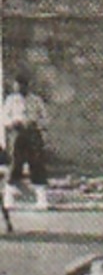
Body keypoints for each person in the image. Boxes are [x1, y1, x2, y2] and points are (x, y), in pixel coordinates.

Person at [2, 76, 50, 211]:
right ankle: (9, 199)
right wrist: (13, 122)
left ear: (28, 86)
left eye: (23, 85)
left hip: (33, 134)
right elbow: (4, 118)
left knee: (37, 163)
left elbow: (45, 118)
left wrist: (36, 124)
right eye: (17, 86)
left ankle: (41, 199)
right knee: (16, 163)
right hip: (17, 134)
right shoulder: (11, 100)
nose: (20, 88)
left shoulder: (36, 100)